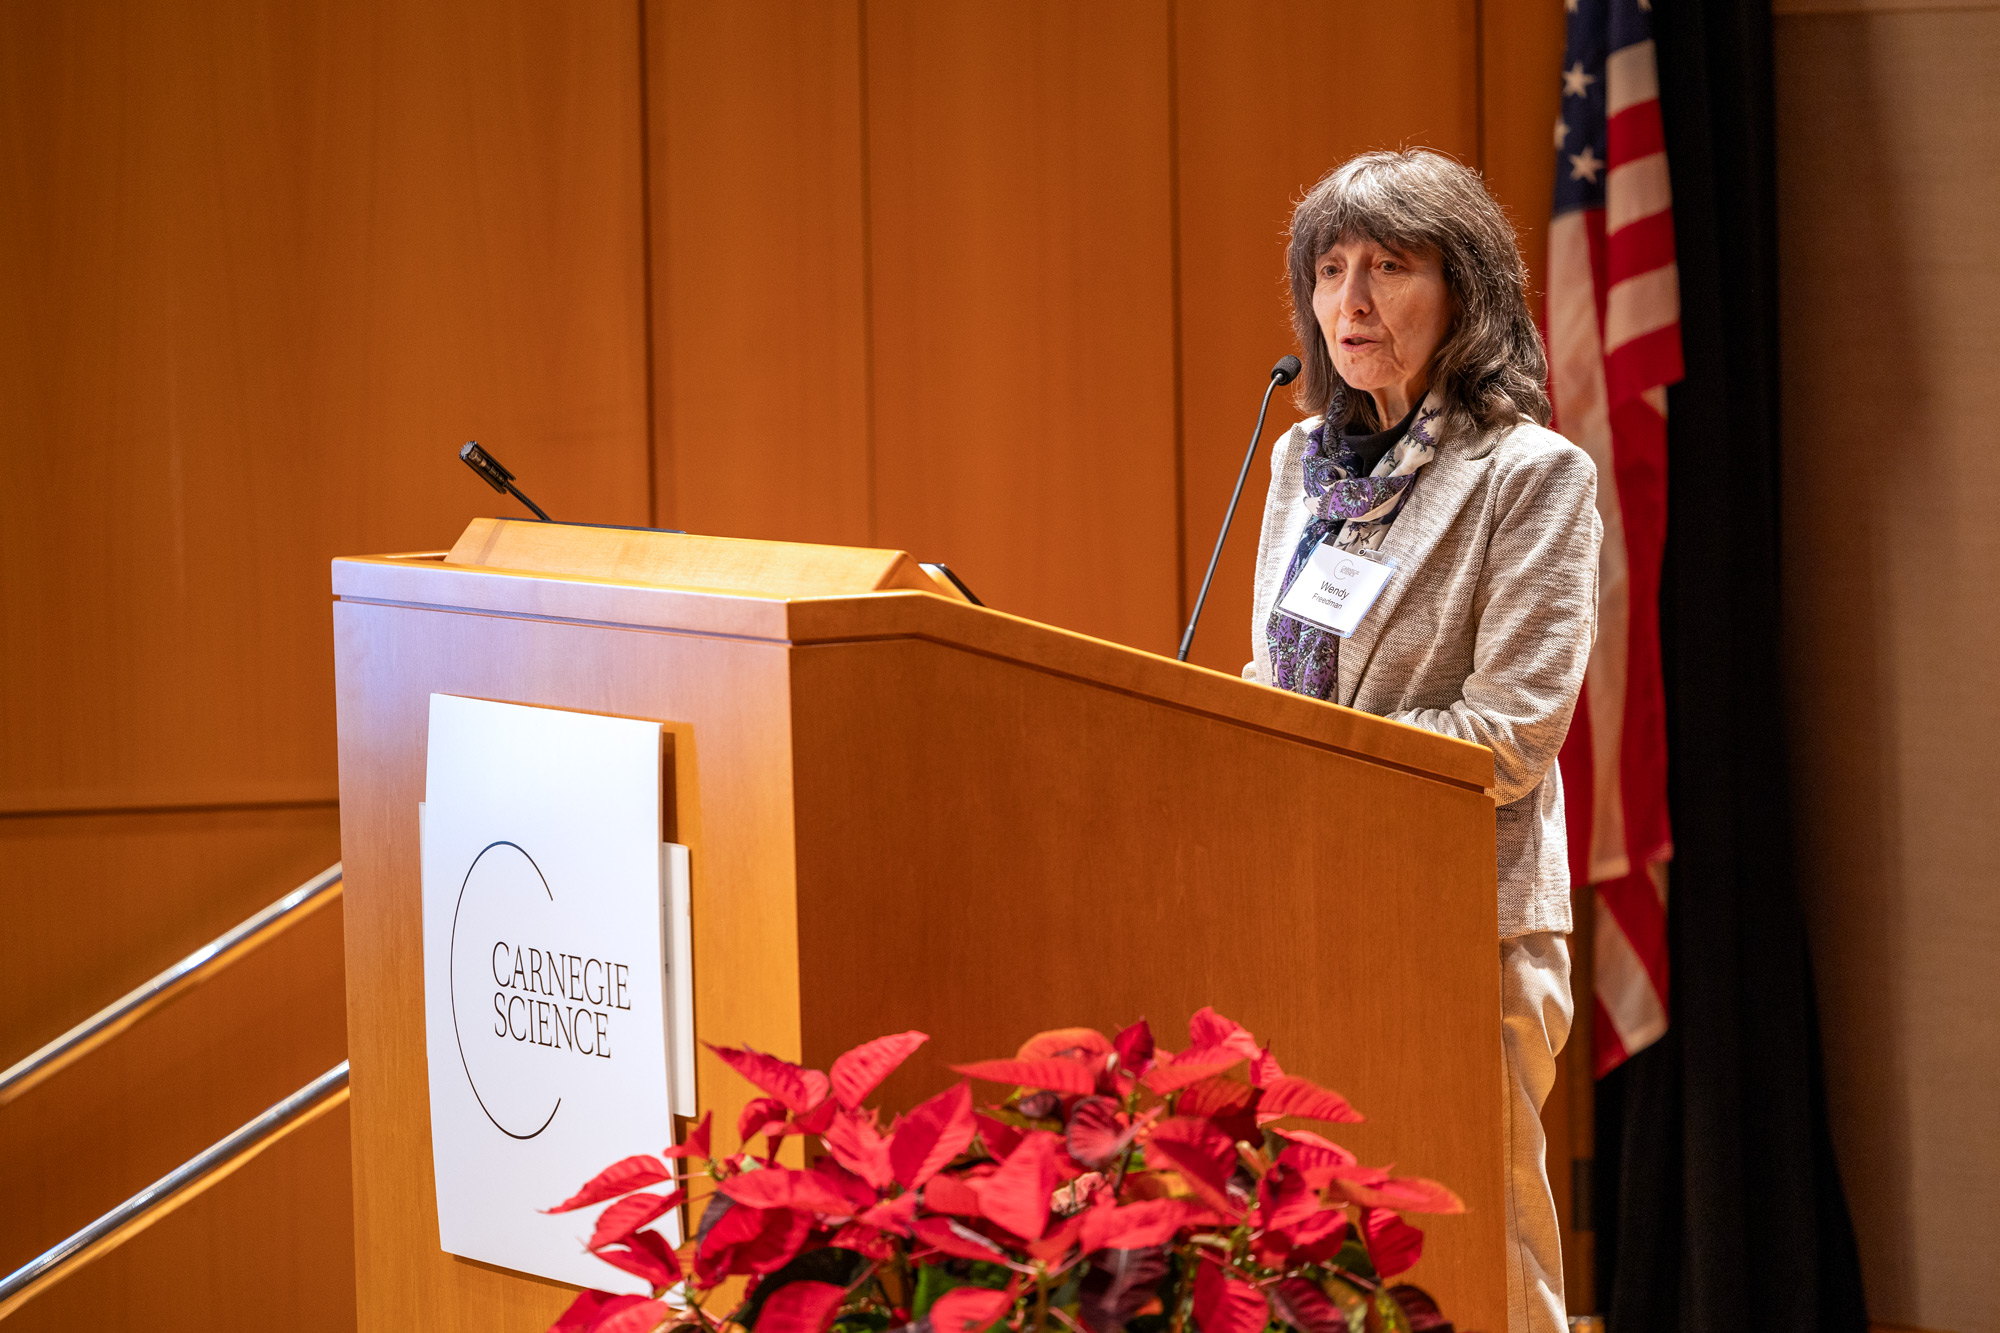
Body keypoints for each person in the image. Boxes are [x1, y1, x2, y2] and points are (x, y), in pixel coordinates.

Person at [1242, 149, 1600, 1333]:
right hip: (1295, 898)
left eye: (1387, 267)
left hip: (1460, 921)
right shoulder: (1300, 466)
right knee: (1307, 1246)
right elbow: (1272, 673)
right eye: (1328, 268)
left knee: (1476, 1250)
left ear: (1465, 295)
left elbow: (1507, 737)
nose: (1346, 301)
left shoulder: (1529, 478)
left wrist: (1309, 757)